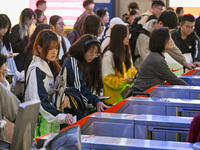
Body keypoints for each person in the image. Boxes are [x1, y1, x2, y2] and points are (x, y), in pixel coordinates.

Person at [25, 29, 73, 137]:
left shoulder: (51, 65)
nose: (54, 52)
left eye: (56, 48)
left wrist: (64, 98)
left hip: (49, 127)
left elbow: (54, 94)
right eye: (50, 48)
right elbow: (40, 102)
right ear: (39, 48)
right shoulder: (36, 70)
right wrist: (62, 116)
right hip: (39, 129)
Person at [62, 34, 109, 112]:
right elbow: (78, 89)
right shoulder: (72, 61)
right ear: (82, 49)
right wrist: (95, 101)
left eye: (96, 53)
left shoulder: (86, 63)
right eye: (91, 52)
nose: (93, 56)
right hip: (72, 111)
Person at [102, 24, 137, 105]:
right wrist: (125, 81)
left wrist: (137, 76)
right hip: (113, 101)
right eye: (126, 35)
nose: (129, 37)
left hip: (125, 98)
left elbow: (131, 70)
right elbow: (108, 80)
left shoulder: (126, 52)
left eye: (129, 35)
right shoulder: (109, 55)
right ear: (119, 37)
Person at [10, 8, 35, 72]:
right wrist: (27, 39)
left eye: (32, 20)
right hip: (17, 60)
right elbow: (16, 45)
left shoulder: (27, 29)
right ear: (25, 19)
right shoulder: (16, 28)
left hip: (24, 60)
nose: (31, 23)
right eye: (30, 20)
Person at [0, 14, 19, 87]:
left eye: (7, 28)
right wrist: (5, 56)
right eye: (3, 27)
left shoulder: (6, 39)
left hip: (9, 72)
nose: (5, 30)